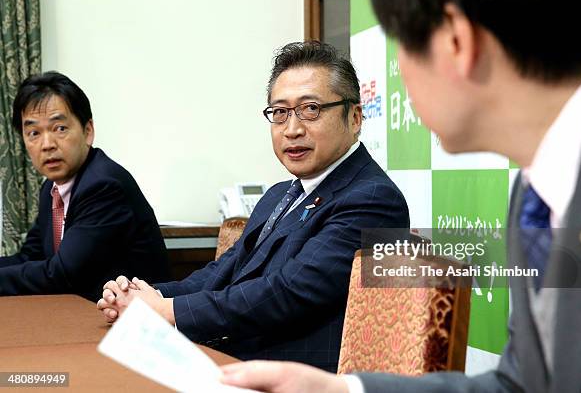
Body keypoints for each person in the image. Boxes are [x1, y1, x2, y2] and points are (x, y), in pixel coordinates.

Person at [218, 0, 581, 392]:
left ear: (458, 42)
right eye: (280, 112)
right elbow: (522, 384)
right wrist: (342, 390)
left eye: (403, 48)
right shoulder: (534, 192)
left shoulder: (371, 195)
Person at [97, 41, 410, 372]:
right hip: (238, 358)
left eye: (311, 109)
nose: (293, 129)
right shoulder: (279, 194)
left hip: (297, 376)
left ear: (355, 117)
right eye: (280, 112)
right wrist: (144, 295)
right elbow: (225, 271)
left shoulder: (373, 198)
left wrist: (166, 310)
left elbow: (289, 292)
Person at [0, 71, 170, 302]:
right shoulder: (51, 189)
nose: (47, 144)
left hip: (133, 323)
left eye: (59, 128)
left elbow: (63, 274)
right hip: (83, 313)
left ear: (87, 131)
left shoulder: (103, 185)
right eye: (33, 133)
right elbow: (30, 257)